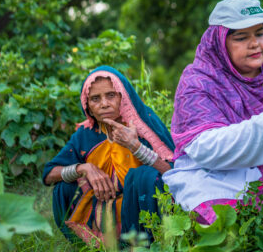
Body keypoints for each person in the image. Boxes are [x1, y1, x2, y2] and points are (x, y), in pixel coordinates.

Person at [162, 0, 263, 224]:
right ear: (219, 43)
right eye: (241, 37)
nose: (255, 44)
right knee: (219, 214)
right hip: (221, 175)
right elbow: (205, 148)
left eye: (260, 33)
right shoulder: (198, 81)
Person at [42, 66, 175, 244]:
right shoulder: (85, 134)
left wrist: (135, 147)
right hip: (104, 208)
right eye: (95, 99)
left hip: (142, 209)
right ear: (86, 104)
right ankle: (96, 244)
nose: (104, 103)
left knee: (144, 176)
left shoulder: (143, 123)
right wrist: (83, 168)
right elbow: (49, 175)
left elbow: (172, 172)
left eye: (111, 95)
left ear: (123, 96)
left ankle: (150, 243)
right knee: (63, 188)